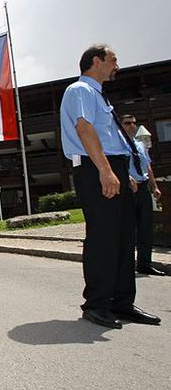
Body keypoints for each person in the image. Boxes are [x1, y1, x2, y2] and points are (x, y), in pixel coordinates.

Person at [60, 44, 160, 329]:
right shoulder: (79, 90)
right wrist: (105, 170)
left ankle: (122, 303)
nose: (117, 65)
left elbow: (110, 139)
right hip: (94, 167)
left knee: (124, 237)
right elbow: (85, 129)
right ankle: (97, 304)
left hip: (111, 166)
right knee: (104, 237)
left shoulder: (99, 96)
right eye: (113, 59)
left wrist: (121, 172)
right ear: (96, 61)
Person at [121, 114, 165, 276]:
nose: (132, 126)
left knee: (146, 227)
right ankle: (126, 266)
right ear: (122, 125)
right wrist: (127, 178)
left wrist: (155, 187)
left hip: (143, 188)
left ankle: (144, 264)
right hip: (129, 189)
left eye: (133, 123)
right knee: (129, 228)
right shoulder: (118, 145)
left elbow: (147, 167)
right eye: (127, 123)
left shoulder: (140, 145)